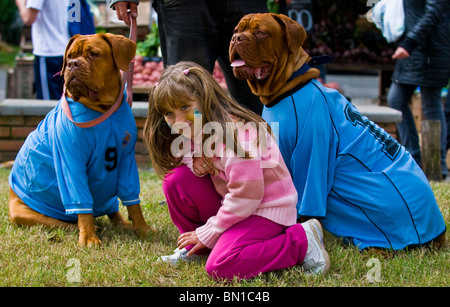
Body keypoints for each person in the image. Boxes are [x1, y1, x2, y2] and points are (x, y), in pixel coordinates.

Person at [143, 61, 330, 280]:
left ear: (204, 99)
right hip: (238, 206)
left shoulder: (237, 137)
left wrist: (210, 230)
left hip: (265, 211)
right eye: (169, 114)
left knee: (220, 266)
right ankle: (199, 247)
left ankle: (301, 241)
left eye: (185, 107)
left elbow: (247, 196)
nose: (179, 121)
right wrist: (194, 158)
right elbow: (186, 153)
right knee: (175, 180)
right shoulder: (200, 128)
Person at [110, 0, 268, 115]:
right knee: (185, 98)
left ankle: (262, 159)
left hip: (248, 3)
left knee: (257, 102)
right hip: (185, 5)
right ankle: (189, 161)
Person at [387, 0, 450, 179]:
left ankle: (436, 167)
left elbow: (433, 13)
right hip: (415, 51)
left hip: (431, 50)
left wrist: (409, 43)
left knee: (431, 103)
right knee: (396, 100)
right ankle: (413, 159)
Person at [15, 0, 95, 100]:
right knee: (70, 102)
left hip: (48, 52)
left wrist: (20, 3)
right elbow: (75, 17)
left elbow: (28, 18)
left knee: (47, 105)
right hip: (70, 52)